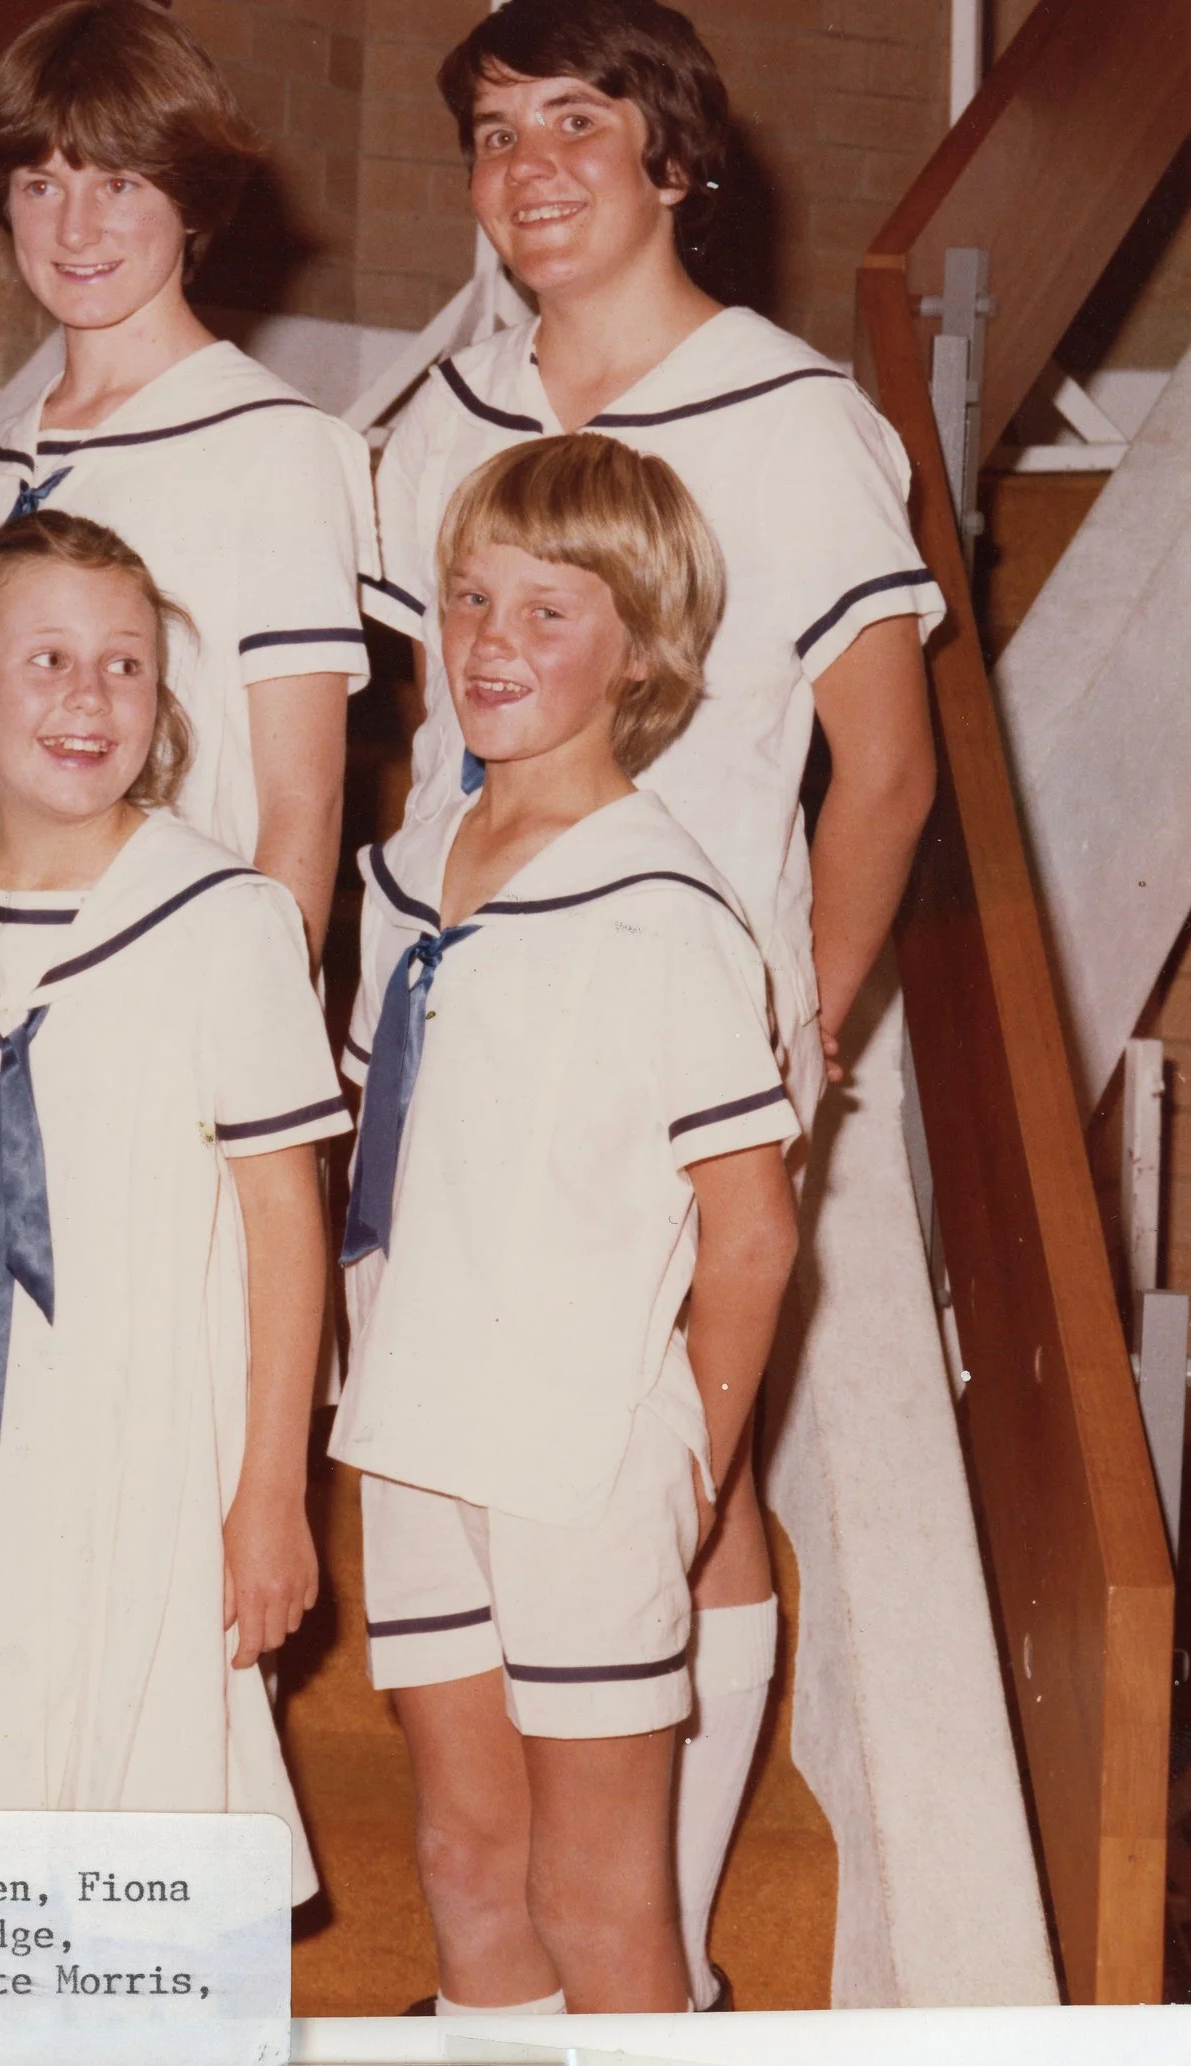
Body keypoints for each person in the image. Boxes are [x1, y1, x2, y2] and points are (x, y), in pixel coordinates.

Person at [363, 0, 941, 2002]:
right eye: (492, 134)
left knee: (688, 1495)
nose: (526, 171)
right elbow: (409, 721)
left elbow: (883, 766)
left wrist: (808, 1033)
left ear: (672, 161)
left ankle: (653, 1947)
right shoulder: (443, 407)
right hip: (479, 1034)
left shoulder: (782, 419)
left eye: (575, 128)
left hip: (685, 1035)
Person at [333, 435, 799, 2013]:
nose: (490, 643)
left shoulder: (660, 906)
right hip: (416, 1425)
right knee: (470, 1863)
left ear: (644, 650)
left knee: (597, 1903)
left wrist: (695, 1464)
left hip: (577, 1451)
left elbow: (751, 1232)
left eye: (550, 611)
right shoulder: (407, 870)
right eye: (470, 600)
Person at [0, 511, 345, 1899]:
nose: (87, 697)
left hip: (152, 1437)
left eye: (125, 666)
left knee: (146, 1819)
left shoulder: (225, 917)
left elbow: (283, 1224)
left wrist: (272, 1487)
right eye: (47, 657)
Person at [0, 0, 375, 959]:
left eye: (117, 182)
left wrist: (259, 1047)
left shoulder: (273, 445)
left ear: (188, 199)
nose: (74, 227)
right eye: (40, 183)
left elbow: (301, 805)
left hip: (165, 990)